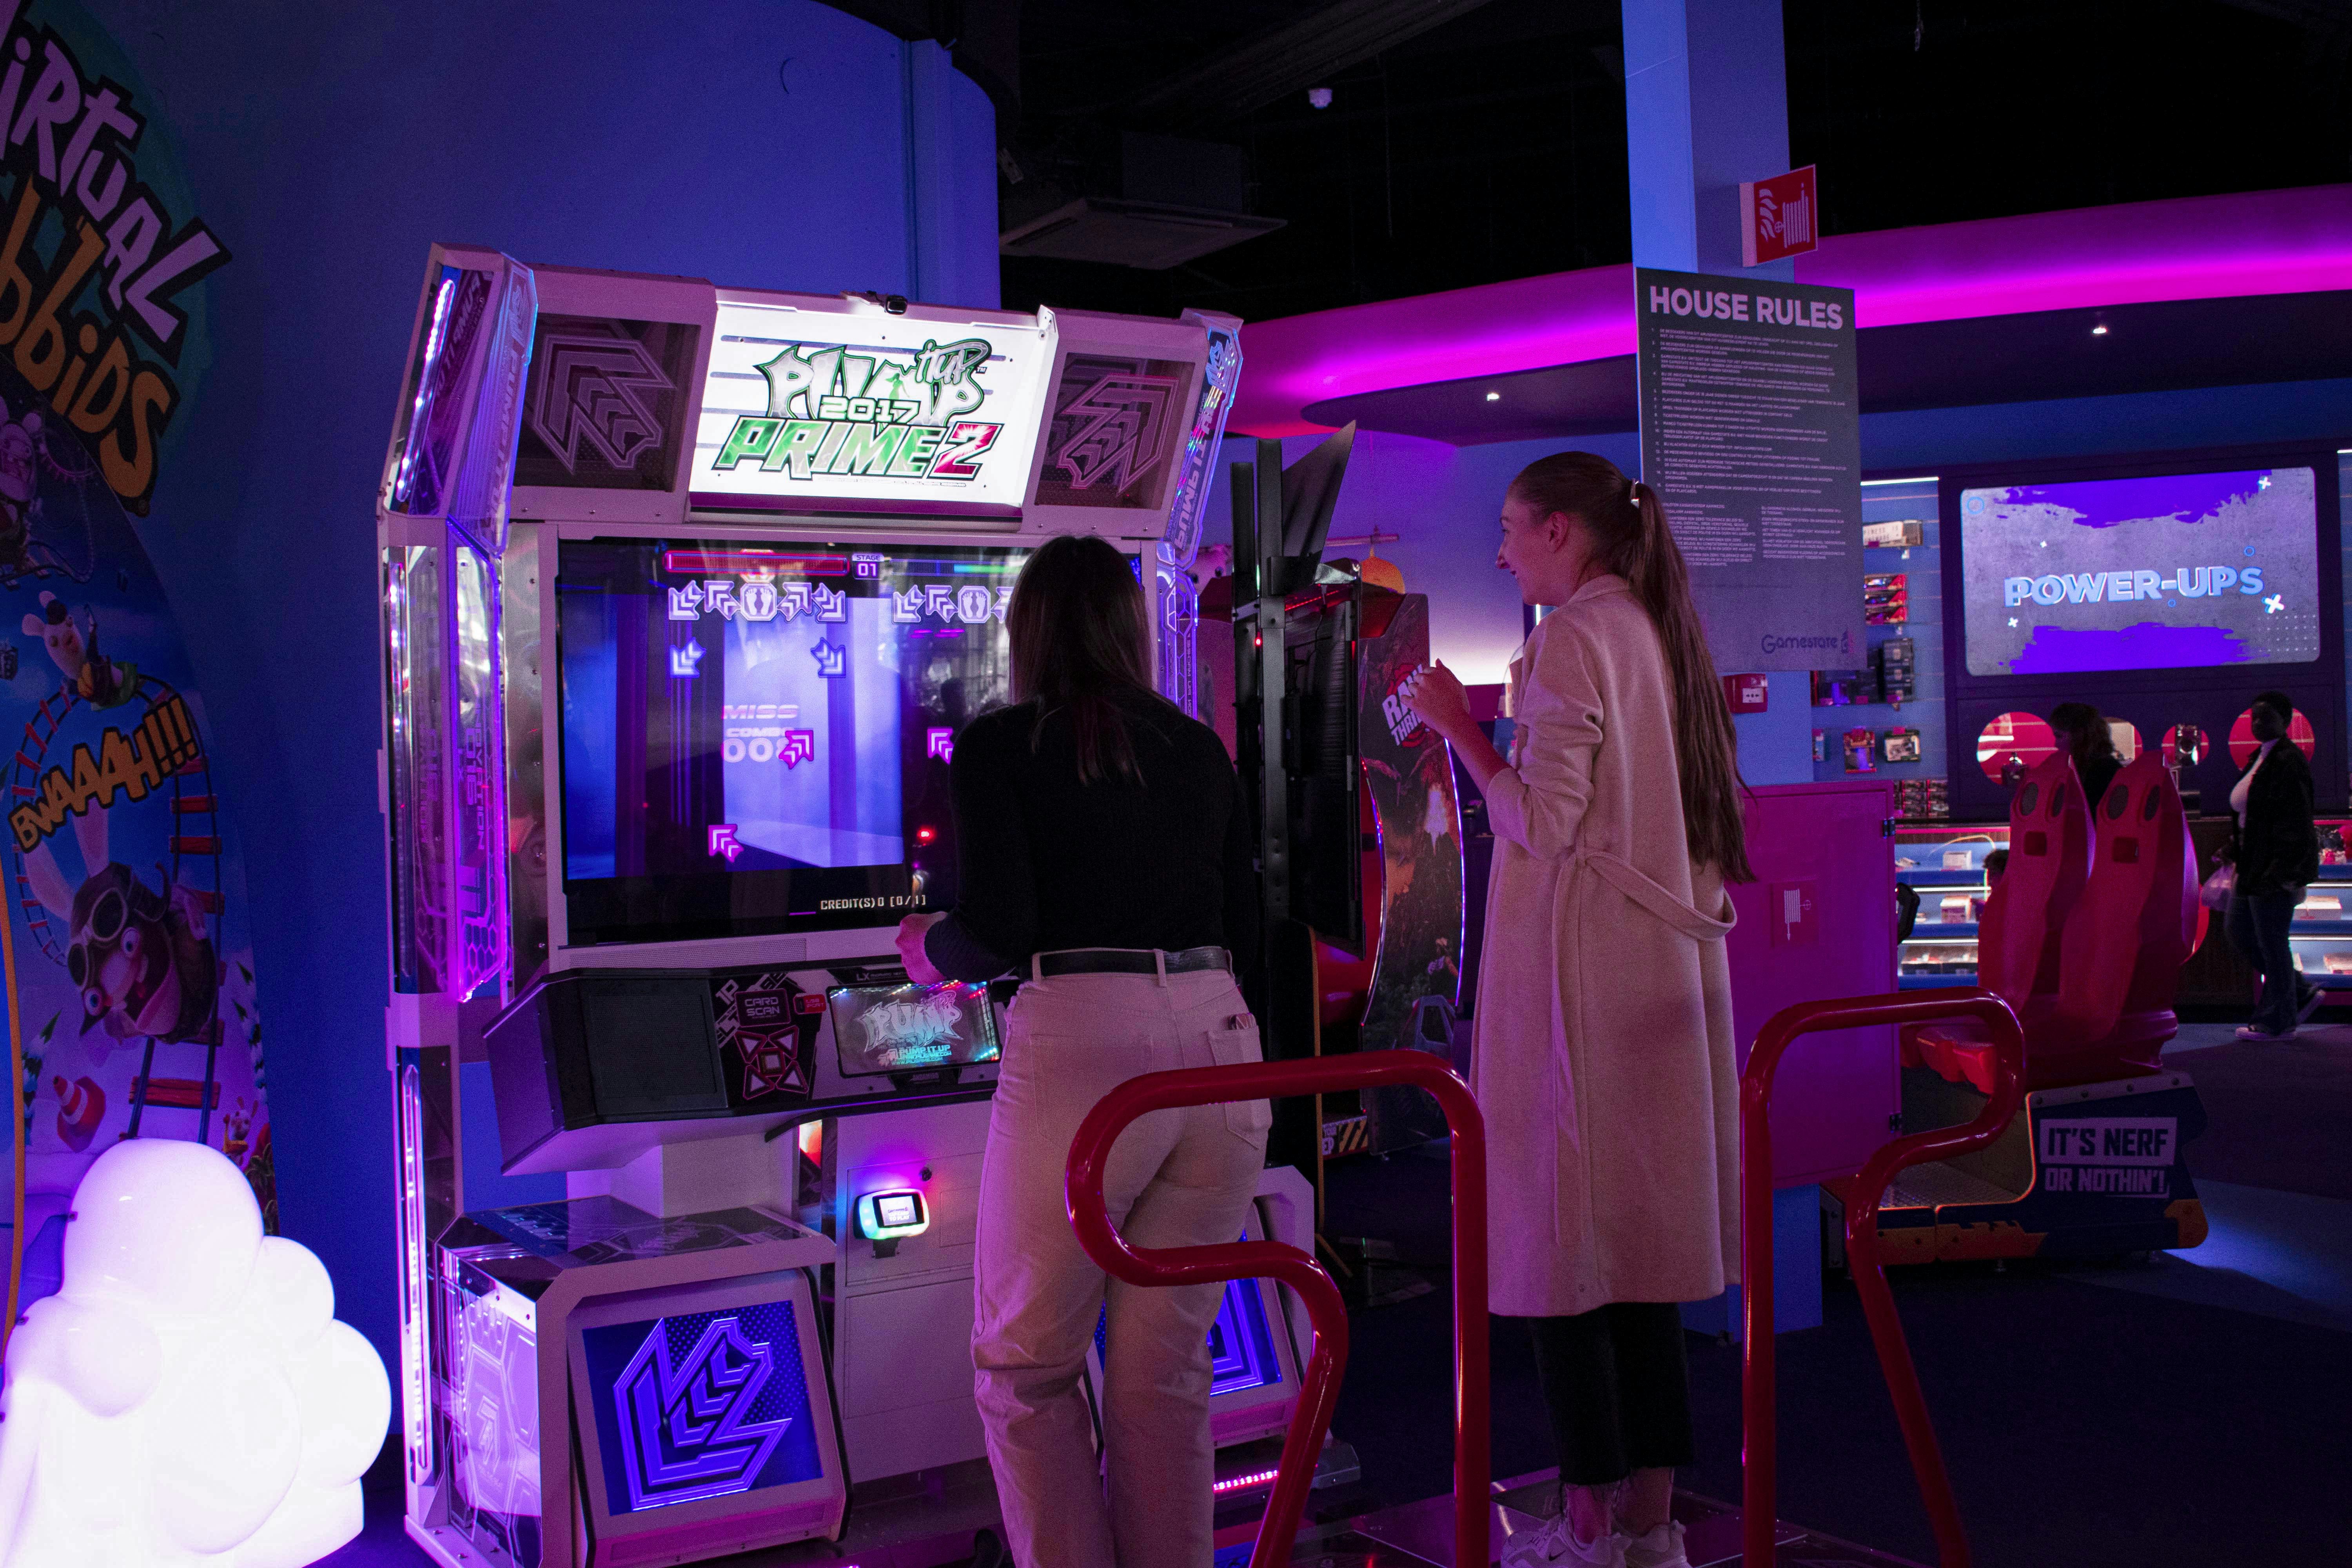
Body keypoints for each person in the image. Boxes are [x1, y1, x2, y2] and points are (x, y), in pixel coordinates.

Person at [1403, 452, 1747, 1568]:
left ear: (1560, 530)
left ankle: (1591, 1523)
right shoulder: (1655, 632)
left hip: (1573, 989)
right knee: (1641, 1262)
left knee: (1554, 1249)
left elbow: (1542, 823)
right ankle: (1650, 1519)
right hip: (1650, 980)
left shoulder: (1571, 641)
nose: (1501, 553)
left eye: (1511, 529)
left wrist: (1459, 726)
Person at [895, 534, 1265, 1568]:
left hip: (1089, 1045)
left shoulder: (1001, 743)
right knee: (1165, 1377)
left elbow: (1001, 924)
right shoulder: (1196, 747)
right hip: (1225, 1047)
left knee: (1026, 1367)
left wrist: (930, 951)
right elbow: (1248, 922)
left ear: (1028, 631)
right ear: (1130, 628)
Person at [2221, 691, 2321, 1041]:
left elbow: (2295, 819)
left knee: (2270, 942)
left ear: (2286, 720)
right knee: (2241, 933)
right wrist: (2235, 848)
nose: (2258, 723)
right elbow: (2256, 815)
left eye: (2266, 717)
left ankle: (2278, 1021)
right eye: (2255, 717)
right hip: (2254, 864)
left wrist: (2281, 872)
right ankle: (2298, 992)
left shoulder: (2287, 760)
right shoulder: (2261, 757)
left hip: (2271, 868)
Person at [2048, 701, 2124, 810]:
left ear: (2079, 735)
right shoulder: (2096, 765)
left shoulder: (2104, 769)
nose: (2056, 744)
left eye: (2059, 736)